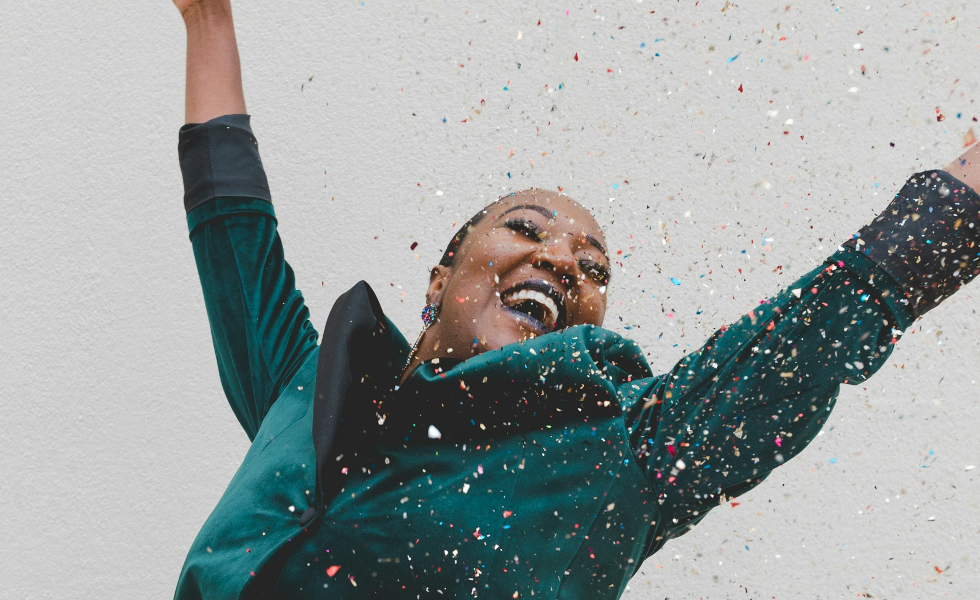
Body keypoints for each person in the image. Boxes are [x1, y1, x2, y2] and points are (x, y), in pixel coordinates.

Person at [169, 1, 980, 598]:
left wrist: (966, 195)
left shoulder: (616, 458)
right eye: (526, 227)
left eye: (592, 267)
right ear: (441, 276)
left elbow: (804, 344)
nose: (560, 258)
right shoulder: (304, 392)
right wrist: (209, 23)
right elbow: (235, 234)